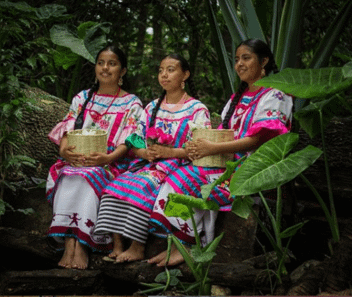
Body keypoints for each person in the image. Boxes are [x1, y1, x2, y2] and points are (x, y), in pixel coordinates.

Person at [147, 38, 294, 267]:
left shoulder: (275, 94)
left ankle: (188, 244)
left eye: (246, 58)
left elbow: (259, 138)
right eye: (236, 59)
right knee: (179, 177)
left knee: (188, 180)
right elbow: (223, 134)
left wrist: (212, 148)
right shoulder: (237, 98)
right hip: (226, 163)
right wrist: (200, 147)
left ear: (264, 61)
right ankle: (181, 242)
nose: (239, 64)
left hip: (257, 170)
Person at [93, 54, 211, 263]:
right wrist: (144, 153)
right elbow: (135, 139)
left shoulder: (197, 109)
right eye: (160, 70)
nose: (164, 75)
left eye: (171, 70)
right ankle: (118, 244)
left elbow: (201, 148)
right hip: (147, 162)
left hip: (177, 165)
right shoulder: (152, 107)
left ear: (185, 74)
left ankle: (138, 246)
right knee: (115, 186)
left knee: (143, 185)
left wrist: (169, 153)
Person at [46, 45, 143, 269]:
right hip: (77, 159)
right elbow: (68, 128)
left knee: (87, 175)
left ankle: (81, 246)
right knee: (69, 173)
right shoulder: (82, 98)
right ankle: (70, 243)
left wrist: (107, 159)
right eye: (101, 63)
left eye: (112, 63)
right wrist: (64, 151)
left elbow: (131, 139)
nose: (105, 68)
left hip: (112, 162)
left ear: (123, 71)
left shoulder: (132, 103)